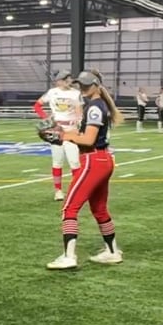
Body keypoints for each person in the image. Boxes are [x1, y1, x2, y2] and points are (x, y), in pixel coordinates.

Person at [47, 70, 122, 269]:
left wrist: (64, 136)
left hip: (93, 159)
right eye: (81, 85)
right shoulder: (98, 104)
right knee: (99, 209)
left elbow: (88, 140)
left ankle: (69, 256)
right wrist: (67, 133)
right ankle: (112, 251)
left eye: (87, 85)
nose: (83, 88)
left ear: (97, 85)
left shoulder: (94, 107)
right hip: (101, 159)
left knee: (69, 207)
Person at [34, 70, 83, 201]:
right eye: (65, 78)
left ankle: (77, 190)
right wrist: (46, 118)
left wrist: (79, 125)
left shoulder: (76, 93)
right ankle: (58, 191)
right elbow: (37, 106)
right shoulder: (52, 92)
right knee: (57, 161)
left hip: (71, 129)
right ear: (59, 81)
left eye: (68, 78)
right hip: (56, 130)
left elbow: (79, 112)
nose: (68, 80)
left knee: (74, 162)